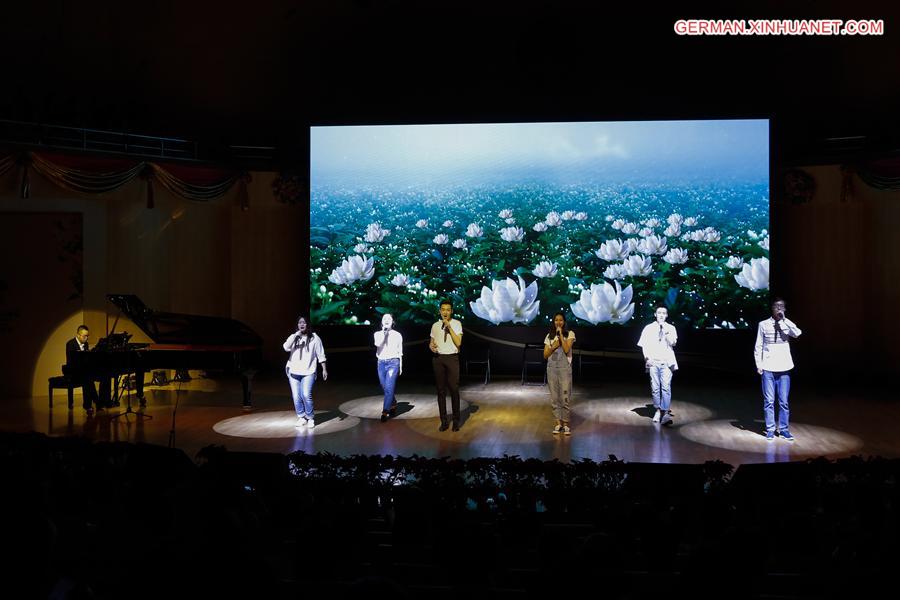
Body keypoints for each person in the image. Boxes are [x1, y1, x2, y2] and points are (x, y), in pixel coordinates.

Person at [755, 298, 802, 441]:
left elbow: (798, 333)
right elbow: (759, 345)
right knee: (769, 400)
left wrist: (785, 320)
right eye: (776, 307)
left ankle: (784, 430)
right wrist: (759, 364)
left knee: (783, 401)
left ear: (785, 309)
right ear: (772, 308)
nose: (779, 309)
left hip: (784, 367)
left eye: (782, 307)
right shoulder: (763, 324)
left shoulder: (787, 324)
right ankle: (770, 429)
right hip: (768, 367)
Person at [283, 316, 327, 429]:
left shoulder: (315, 338)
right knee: (296, 396)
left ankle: (310, 417)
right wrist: (295, 336)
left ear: (308, 325)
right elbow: (286, 347)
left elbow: (320, 354)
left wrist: (324, 369)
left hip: (309, 371)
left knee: (306, 394)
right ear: (297, 325)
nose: (302, 324)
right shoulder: (294, 337)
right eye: (299, 323)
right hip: (293, 371)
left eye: (304, 323)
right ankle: (301, 417)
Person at [637, 307, 679, 425]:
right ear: (655, 314)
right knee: (655, 388)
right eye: (659, 313)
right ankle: (657, 410)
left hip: (667, 362)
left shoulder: (671, 328)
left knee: (666, 387)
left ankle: (665, 413)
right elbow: (644, 345)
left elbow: (673, 343)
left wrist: (665, 331)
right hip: (653, 361)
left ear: (667, 315)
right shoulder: (648, 328)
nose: (661, 315)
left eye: (664, 313)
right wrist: (647, 358)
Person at [429, 300, 463, 431]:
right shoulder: (435, 325)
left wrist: (449, 327)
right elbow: (432, 342)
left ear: (452, 311)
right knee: (440, 391)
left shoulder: (457, 324)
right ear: (439, 311)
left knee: (454, 389)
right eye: (443, 309)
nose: (445, 312)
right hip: (438, 359)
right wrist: (431, 346)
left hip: (452, 358)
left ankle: (456, 420)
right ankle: (444, 421)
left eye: (448, 309)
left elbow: (458, 343)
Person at [543, 312, 575, 435]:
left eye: (561, 320)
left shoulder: (570, 334)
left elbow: (567, 349)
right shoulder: (549, 336)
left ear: (564, 322)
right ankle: (558, 423)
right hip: (551, 369)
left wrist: (561, 335)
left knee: (565, 397)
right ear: (553, 322)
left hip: (564, 369)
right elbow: (545, 355)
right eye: (556, 320)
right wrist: (553, 346)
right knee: (555, 398)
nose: (558, 322)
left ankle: (566, 424)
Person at [64, 325, 102, 415]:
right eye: (85, 336)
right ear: (78, 335)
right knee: (88, 378)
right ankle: (94, 402)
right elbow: (71, 361)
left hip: (83, 371)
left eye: (87, 336)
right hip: (73, 371)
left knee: (88, 377)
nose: (86, 338)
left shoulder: (86, 344)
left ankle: (89, 405)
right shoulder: (70, 344)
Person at [374, 313, 403, 422]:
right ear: (381, 322)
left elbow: (400, 352)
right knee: (384, 386)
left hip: (393, 363)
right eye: (384, 318)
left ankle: (385, 411)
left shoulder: (398, 335)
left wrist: (400, 366)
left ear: (393, 322)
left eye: (389, 318)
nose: (386, 320)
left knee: (389, 387)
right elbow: (378, 344)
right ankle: (393, 402)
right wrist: (385, 334)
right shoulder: (377, 334)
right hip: (381, 363)